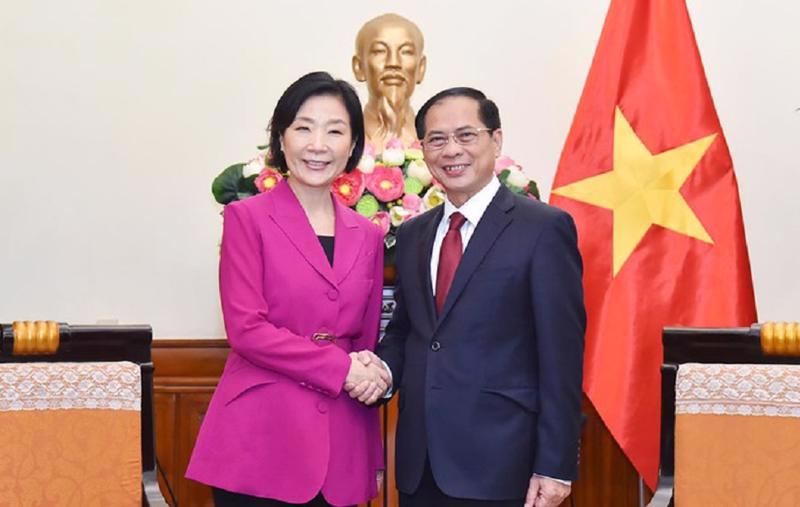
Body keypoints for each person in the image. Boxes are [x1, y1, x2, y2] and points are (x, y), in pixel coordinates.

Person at [349, 88, 586, 507]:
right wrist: (382, 370)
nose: (451, 150)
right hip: (420, 466)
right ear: (422, 150)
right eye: (437, 139)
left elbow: (561, 355)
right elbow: (408, 331)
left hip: (504, 464)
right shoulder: (413, 234)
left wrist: (555, 464)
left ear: (495, 140)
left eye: (466, 135)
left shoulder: (543, 229)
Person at [186, 71, 389, 507]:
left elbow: (364, 343)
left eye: (335, 131)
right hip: (260, 440)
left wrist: (369, 383)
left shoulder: (369, 235)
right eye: (303, 127)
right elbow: (246, 330)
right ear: (281, 138)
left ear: (353, 145)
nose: (318, 144)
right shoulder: (247, 218)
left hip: (342, 444)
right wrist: (340, 370)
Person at [352, 13, 427, 152]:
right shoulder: (346, 142)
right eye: (379, 51)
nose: (393, 63)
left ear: (421, 68)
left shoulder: (433, 142)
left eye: (406, 52)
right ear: (359, 67)